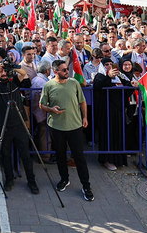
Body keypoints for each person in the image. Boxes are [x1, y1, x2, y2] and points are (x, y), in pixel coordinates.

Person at [41, 60, 94, 201]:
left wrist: (85, 117)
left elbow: (82, 101)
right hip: (56, 127)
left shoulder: (74, 83)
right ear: (56, 71)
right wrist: (51, 109)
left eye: (67, 69)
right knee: (60, 156)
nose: (67, 72)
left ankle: (86, 186)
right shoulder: (48, 85)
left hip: (75, 126)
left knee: (79, 157)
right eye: (64, 70)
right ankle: (64, 179)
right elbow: (42, 105)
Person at [0, 60, 38, 194]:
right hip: (4, 126)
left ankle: (31, 181)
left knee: (25, 155)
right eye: (1, 72)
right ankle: (9, 179)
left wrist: (13, 67)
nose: (3, 73)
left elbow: (24, 73)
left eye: (5, 71)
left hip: (19, 124)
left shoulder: (14, 81)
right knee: (5, 155)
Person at [92, 59, 133, 170]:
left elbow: (126, 89)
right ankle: (107, 160)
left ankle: (119, 160)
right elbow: (97, 86)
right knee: (108, 135)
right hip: (106, 112)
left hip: (118, 111)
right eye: (106, 64)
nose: (109, 66)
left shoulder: (119, 77)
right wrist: (108, 77)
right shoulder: (100, 76)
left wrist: (131, 85)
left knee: (118, 135)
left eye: (111, 64)